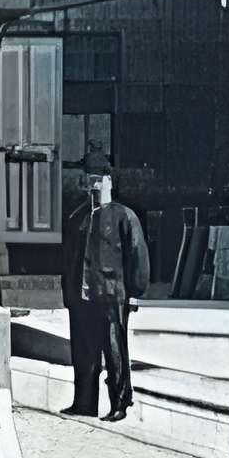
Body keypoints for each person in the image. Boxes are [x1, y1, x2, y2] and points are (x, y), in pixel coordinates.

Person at [59, 167, 150, 420]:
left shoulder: (125, 217)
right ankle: (84, 403)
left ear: (111, 183)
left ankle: (119, 403)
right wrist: (68, 291)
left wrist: (135, 290)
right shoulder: (77, 217)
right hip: (82, 296)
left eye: (101, 180)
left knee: (115, 351)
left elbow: (137, 256)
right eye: (92, 180)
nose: (95, 185)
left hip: (112, 294)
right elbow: (67, 259)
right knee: (84, 352)